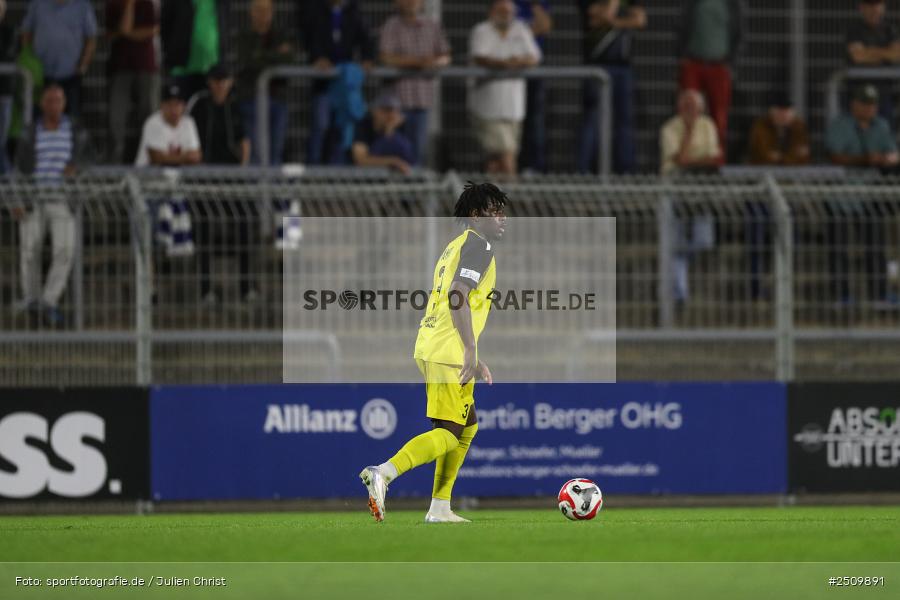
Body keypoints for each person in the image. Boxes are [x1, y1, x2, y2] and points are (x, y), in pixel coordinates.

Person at [359, 182, 508, 524]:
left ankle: (440, 507)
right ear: (475, 215)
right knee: (448, 432)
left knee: (467, 427)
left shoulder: (455, 246)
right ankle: (383, 472)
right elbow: (458, 294)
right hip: (447, 350)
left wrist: (473, 353)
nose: (502, 218)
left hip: (440, 343)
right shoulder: (479, 246)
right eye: (494, 210)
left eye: (503, 210)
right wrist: (469, 348)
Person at [12, 84, 90, 327]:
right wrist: (17, 198)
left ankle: (48, 300)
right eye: (49, 101)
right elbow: (18, 167)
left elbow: (90, 157)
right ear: (42, 104)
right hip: (34, 197)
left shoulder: (76, 130)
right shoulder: (30, 131)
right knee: (29, 250)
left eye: (58, 100)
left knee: (65, 249)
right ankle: (31, 299)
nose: (54, 105)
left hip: (63, 198)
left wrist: (76, 165)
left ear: (64, 104)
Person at [189, 65, 257, 306]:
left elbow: (245, 140)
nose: (220, 86)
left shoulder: (236, 107)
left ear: (230, 83)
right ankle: (206, 289)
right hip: (204, 177)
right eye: (216, 81)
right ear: (209, 83)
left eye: (224, 81)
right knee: (203, 232)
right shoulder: (199, 106)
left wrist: (243, 167)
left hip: (232, 177)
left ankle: (247, 288)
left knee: (247, 224)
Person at [826, 84, 897, 305]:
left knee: (875, 247)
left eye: (872, 105)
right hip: (841, 197)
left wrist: (888, 159)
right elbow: (835, 156)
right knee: (839, 249)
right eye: (865, 104)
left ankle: (880, 295)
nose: (869, 109)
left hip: (870, 195)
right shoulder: (840, 125)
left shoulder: (881, 126)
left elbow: (892, 152)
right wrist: (866, 159)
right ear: (854, 105)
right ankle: (841, 295)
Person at [469, 0, 542, 175]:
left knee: (497, 159)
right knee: (506, 154)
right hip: (488, 107)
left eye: (509, 12)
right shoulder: (481, 30)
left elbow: (534, 57)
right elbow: (481, 57)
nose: (505, 15)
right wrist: (507, 63)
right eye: (501, 11)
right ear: (492, 12)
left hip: (514, 107)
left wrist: (514, 62)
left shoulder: (521, 29)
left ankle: (492, 197)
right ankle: (511, 196)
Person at [379, 0, 451, 167]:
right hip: (397, 102)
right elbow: (386, 57)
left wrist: (433, 62)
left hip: (422, 100)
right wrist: (417, 62)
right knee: (396, 149)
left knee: (418, 151)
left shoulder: (432, 25)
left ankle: (416, 189)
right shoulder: (391, 25)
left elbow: (445, 57)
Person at [303, 0, 375, 165]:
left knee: (343, 127)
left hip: (344, 83)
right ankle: (313, 172)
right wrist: (318, 58)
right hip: (323, 84)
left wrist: (368, 58)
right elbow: (310, 39)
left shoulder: (354, 12)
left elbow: (366, 39)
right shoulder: (316, 11)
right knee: (321, 126)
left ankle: (337, 170)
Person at [578, 0, 646, 174]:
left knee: (624, 120)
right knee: (592, 119)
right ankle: (584, 171)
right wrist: (619, 16)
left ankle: (625, 171)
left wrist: (615, 22)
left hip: (622, 66)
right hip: (596, 66)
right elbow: (597, 15)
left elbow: (640, 20)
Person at [677, 0, 744, 149]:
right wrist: (682, 56)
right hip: (694, 62)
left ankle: (716, 160)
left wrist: (731, 62)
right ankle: (686, 156)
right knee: (688, 110)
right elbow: (681, 25)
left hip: (719, 65)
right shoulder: (692, 3)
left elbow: (739, 32)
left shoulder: (731, 4)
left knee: (719, 116)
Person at [236, 0, 294, 166]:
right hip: (251, 100)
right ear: (251, 12)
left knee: (276, 149)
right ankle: (256, 190)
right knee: (255, 150)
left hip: (278, 99)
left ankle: (273, 190)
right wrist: (275, 55)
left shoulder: (280, 34)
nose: (263, 15)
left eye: (267, 10)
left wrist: (262, 56)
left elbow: (289, 60)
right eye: (259, 10)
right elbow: (249, 62)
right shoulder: (244, 36)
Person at [21, 0, 98, 117]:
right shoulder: (37, 4)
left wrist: (83, 66)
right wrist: (31, 62)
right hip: (41, 75)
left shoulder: (83, 6)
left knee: (72, 117)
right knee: (37, 116)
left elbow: (91, 38)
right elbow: (26, 33)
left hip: (71, 74)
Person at [106, 0, 161, 163]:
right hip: (120, 67)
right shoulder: (113, 4)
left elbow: (152, 30)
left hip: (146, 66)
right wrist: (129, 6)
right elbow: (109, 33)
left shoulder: (148, 3)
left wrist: (125, 32)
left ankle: (149, 159)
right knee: (116, 118)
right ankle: (115, 162)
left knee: (149, 115)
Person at [161, 0, 230, 101]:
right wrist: (171, 52)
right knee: (180, 112)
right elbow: (165, 26)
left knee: (208, 111)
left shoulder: (220, 2)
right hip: (182, 68)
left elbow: (225, 25)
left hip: (213, 69)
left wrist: (222, 67)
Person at [846, 0, 900, 124]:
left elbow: (897, 55)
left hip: (885, 94)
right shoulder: (854, 29)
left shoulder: (890, 29)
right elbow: (858, 56)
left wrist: (869, 52)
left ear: (883, 7)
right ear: (862, 7)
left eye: (877, 4)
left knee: (883, 134)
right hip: (858, 94)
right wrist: (885, 53)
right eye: (870, 5)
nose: (874, 9)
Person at [514, 0, 552, 173]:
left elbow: (545, 26)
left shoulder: (539, 4)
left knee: (535, 119)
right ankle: (513, 165)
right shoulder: (510, 4)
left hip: (533, 69)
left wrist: (536, 5)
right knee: (512, 118)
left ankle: (534, 167)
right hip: (510, 70)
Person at [135, 83, 201, 167]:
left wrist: (166, 157)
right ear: (162, 106)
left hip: (173, 179)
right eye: (169, 104)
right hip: (145, 179)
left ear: (183, 106)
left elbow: (196, 157)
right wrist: (185, 157)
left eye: (177, 104)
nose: (173, 110)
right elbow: (156, 158)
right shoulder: (153, 122)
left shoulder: (188, 122)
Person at [659, 89, 722, 176]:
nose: (689, 110)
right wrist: (689, 130)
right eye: (686, 106)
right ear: (679, 108)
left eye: (693, 106)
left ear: (700, 108)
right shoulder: (669, 128)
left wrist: (690, 163)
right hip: (676, 173)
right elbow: (680, 160)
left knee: (715, 173)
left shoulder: (708, 124)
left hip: (702, 171)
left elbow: (713, 159)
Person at [351, 91, 414, 174]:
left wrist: (390, 132)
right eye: (386, 110)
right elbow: (361, 160)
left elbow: (409, 159)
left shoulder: (400, 128)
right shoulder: (363, 126)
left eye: (395, 111)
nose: (391, 115)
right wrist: (393, 161)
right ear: (375, 111)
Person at [747, 92, 810, 166]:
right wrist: (789, 157)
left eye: (786, 112)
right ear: (772, 113)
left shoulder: (798, 126)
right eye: (780, 113)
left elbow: (803, 155)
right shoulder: (761, 126)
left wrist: (780, 157)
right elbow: (763, 154)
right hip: (765, 170)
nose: (783, 116)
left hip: (793, 171)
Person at [0, 0, 15, 174]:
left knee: (1, 141)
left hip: (3, 93)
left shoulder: (10, 31)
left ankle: (8, 181)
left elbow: (7, 54)